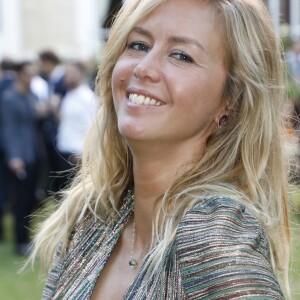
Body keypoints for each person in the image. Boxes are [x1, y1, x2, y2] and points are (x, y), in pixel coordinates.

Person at [30, 0, 291, 298]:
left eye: (181, 55)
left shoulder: (213, 237)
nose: (143, 68)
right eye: (139, 45)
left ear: (230, 99)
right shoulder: (91, 219)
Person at [1, 61, 40, 255]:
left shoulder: (30, 95)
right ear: (20, 75)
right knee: (20, 202)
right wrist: (14, 156)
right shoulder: (9, 98)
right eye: (29, 74)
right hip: (20, 157)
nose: (32, 78)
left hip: (33, 154)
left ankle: (27, 238)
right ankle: (20, 242)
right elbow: (8, 130)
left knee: (31, 200)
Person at [54, 61, 96, 190]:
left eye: (70, 73)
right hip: (63, 151)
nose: (66, 77)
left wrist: (84, 154)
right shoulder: (68, 94)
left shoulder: (87, 98)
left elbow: (93, 127)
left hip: (77, 155)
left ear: (80, 75)